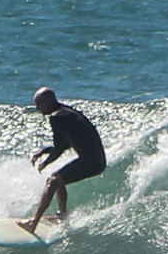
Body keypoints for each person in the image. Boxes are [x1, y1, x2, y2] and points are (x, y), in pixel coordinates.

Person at [18, 87, 106, 234]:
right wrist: (44, 152)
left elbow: (59, 148)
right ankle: (62, 215)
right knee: (58, 179)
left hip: (91, 162)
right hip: (95, 160)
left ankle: (33, 222)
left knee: (53, 180)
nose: (37, 108)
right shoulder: (65, 112)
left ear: (49, 102)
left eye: (39, 104)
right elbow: (65, 144)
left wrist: (45, 162)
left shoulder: (58, 118)